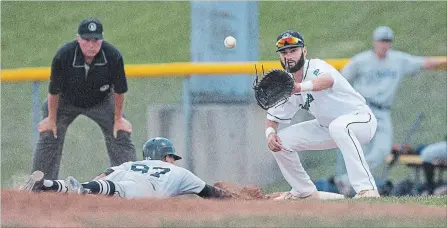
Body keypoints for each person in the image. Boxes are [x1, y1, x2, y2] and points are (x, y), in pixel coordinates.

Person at [264, 30, 379, 200]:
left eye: (293, 51)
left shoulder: (316, 66)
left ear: (304, 51)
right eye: (284, 52)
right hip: (327, 128)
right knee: (282, 141)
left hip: (360, 119)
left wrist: (300, 88)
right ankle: (304, 192)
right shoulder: (288, 83)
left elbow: (327, 80)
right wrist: (270, 134)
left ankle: (367, 190)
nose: (289, 56)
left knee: (339, 127)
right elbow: (272, 119)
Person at [334, 26, 447, 195]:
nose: (384, 45)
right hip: (362, 108)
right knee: (359, 149)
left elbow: (425, 62)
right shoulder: (361, 60)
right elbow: (339, 79)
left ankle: (348, 181)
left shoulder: (398, 60)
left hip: (383, 112)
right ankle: (355, 187)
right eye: (381, 41)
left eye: (387, 41)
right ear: (375, 42)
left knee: (382, 150)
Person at [32, 18, 136, 180]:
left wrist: (118, 118)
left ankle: (128, 181)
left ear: (102, 40)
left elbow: (119, 90)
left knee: (120, 132)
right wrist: (51, 119)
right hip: (66, 101)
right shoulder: (64, 55)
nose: (91, 45)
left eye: (96, 40)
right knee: (49, 132)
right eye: (86, 40)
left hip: (101, 100)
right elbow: (54, 91)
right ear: (78, 39)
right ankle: (41, 184)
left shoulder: (112, 55)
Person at [22, 137, 231, 199]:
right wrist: (236, 198)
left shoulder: (132, 164)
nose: (174, 160)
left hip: (122, 178)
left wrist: (96, 185)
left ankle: (47, 184)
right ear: (166, 156)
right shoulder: (179, 172)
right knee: (123, 189)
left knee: (106, 185)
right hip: (145, 189)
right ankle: (83, 189)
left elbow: (105, 174)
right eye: (172, 157)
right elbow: (210, 193)